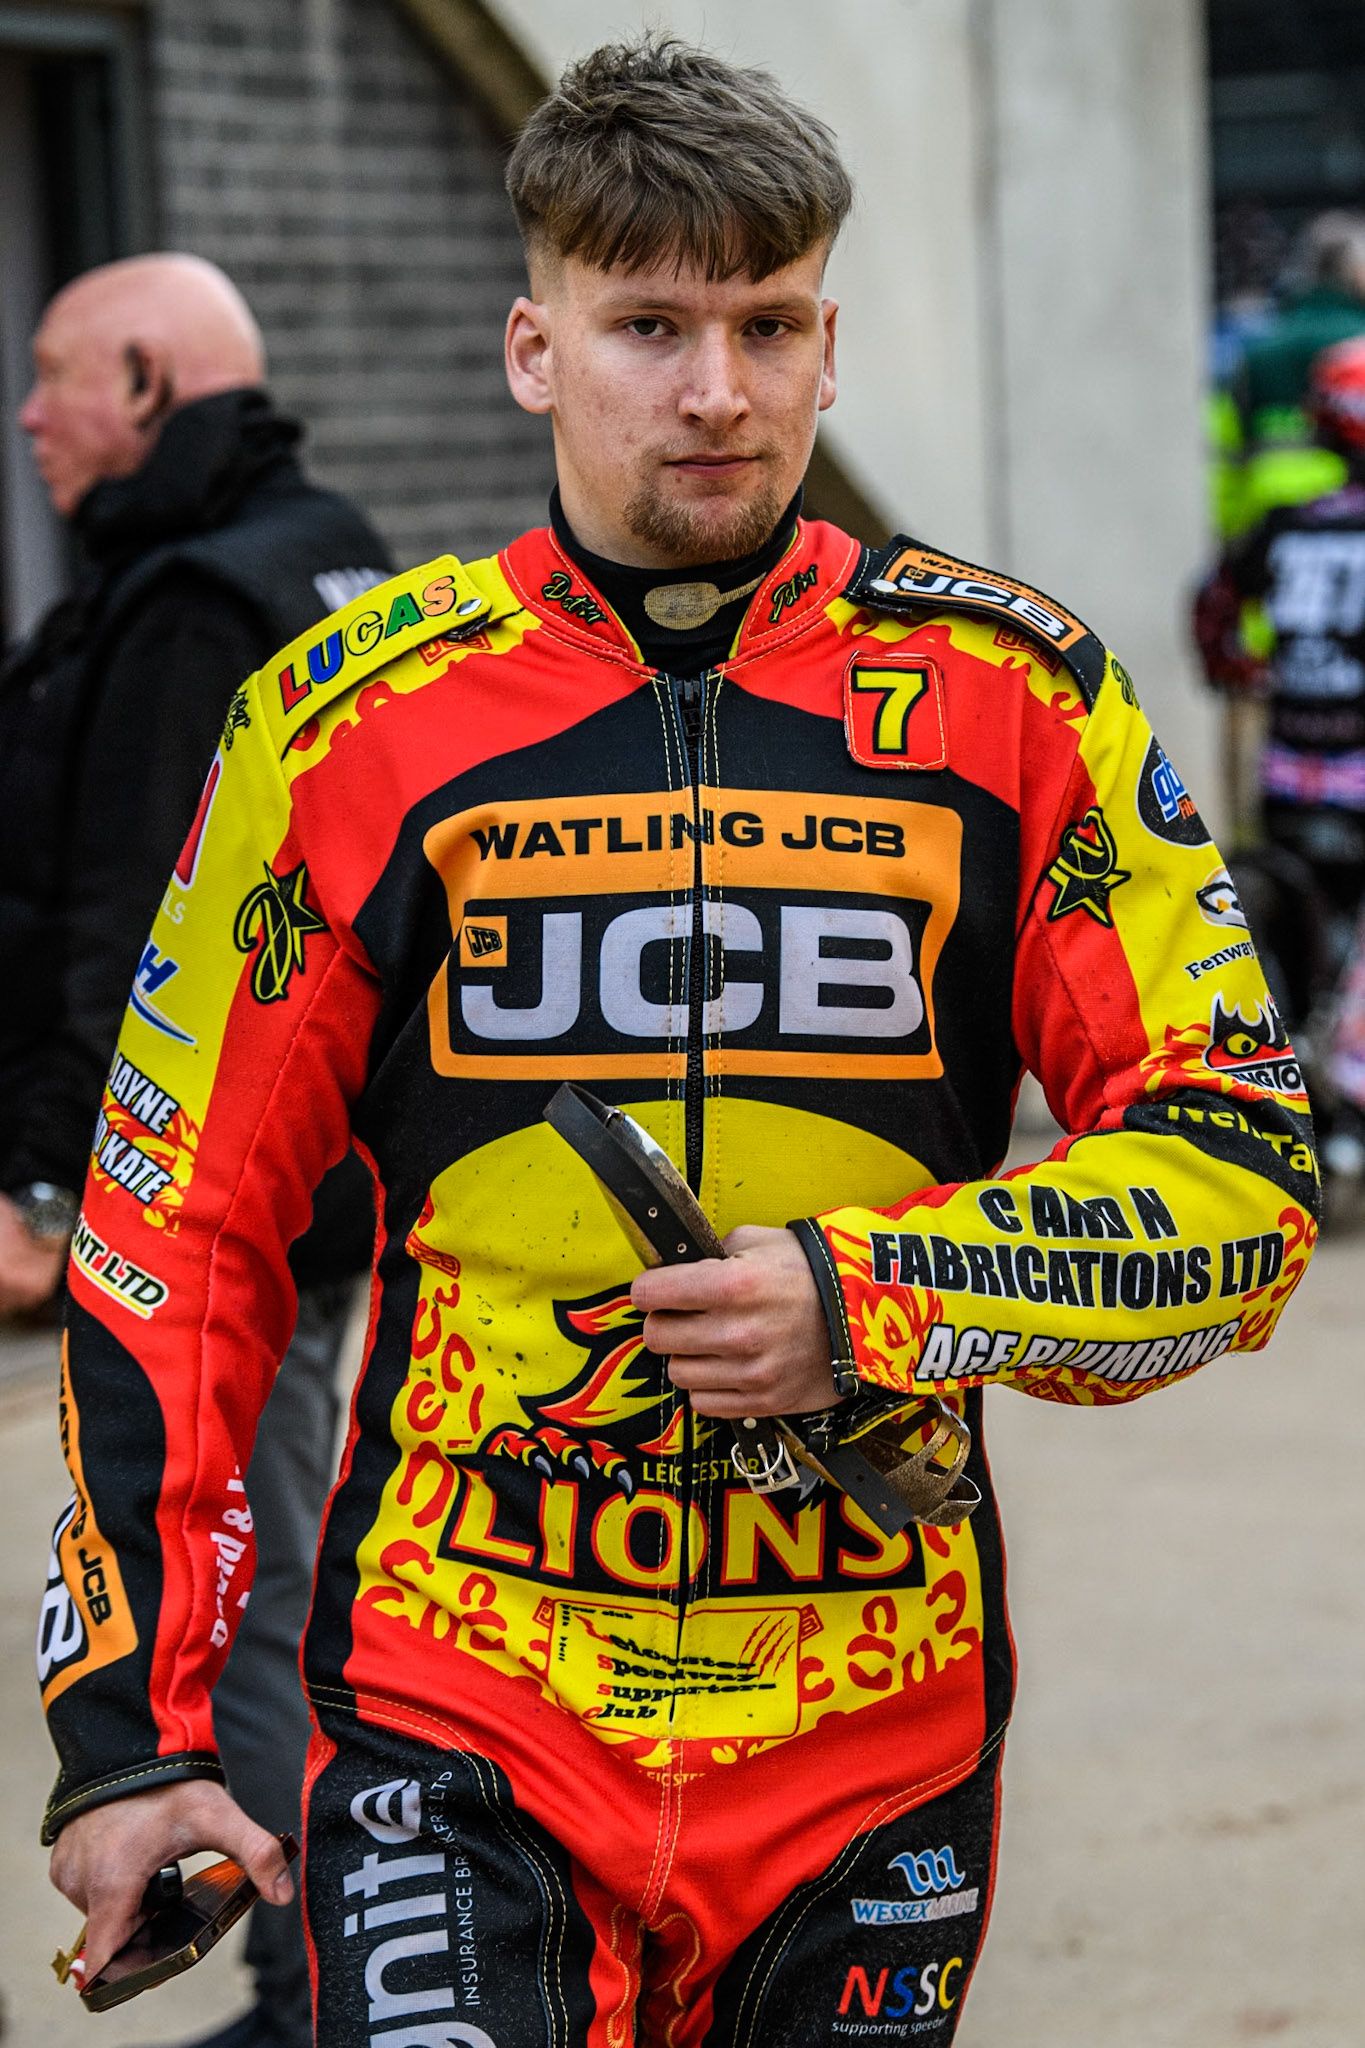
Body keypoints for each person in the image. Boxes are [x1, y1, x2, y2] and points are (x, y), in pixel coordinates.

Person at [42, 41, 1317, 2046]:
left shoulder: (1016, 697)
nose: (713, 390)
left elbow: (1245, 1184)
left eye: (764, 322)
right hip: (460, 1716)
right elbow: (174, 1222)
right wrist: (135, 1732)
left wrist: (874, 1296)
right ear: (534, 346)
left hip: (867, 1745)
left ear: (830, 345)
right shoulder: (346, 718)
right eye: (648, 323)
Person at [6, 253, 392, 2048]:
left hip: (212, 1213)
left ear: (150, 383)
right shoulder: (329, 550)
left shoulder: (184, 610)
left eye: (55, 379)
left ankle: (324, 1986)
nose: (29, 418)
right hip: (317, 1199)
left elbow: (140, 944)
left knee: (247, 1595)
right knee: (292, 1570)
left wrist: (49, 1194)